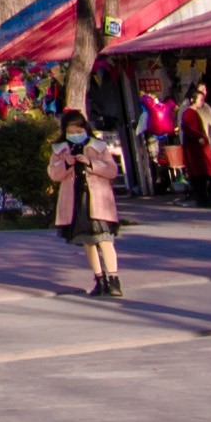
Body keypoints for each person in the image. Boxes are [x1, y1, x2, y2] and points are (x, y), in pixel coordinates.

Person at [48, 100, 128, 300]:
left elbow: (112, 170)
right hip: (77, 201)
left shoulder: (98, 146)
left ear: (85, 128)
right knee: (88, 242)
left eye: (78, 129)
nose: (75, 133)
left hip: (98, 200)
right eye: (70, 130)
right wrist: (66, 164)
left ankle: (114, 278)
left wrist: (91, 163)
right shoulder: (60, 149)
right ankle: (99, 279)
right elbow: (54, 174)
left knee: (105, 240)